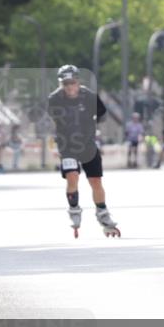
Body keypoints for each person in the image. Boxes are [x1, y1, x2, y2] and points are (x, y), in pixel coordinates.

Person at [47, 64, 120, 237]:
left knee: (95, 181)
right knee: (72, 176)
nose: (69, 87)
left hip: (87, 143)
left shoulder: (89, 96)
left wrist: (93, 123)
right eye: (65, 84)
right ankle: (74, 210)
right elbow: (52, 118)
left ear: (78, 81)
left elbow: (102, 113)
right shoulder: (54, 99)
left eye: (72, 83)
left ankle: (102, 213)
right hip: (67, 145)